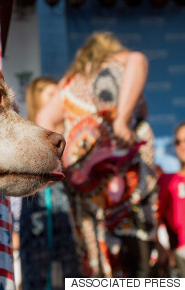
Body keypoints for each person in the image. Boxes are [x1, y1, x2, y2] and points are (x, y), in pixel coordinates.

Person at [37, 31, 158, 278]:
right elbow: (138, 60)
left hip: (84, 182)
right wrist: (123, 119)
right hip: (125, 178)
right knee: (137, 258)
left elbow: (44, 118)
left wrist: (70, 153)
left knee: (94, 254)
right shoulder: (116, 62)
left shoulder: (70, 82)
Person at [19, 77, 80, 290]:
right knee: (39, 269)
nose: (58, 100)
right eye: (51, 95)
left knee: (72, 266)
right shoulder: (27, 133)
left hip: (70, 209)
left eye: (59, 94)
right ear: (37, 99)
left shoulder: (73, 129)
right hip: (41, 208)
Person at [158, 122, 185, 277]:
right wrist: (163, 249)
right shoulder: (168, 181)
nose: (182, 146)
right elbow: (156, 219)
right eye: (178, 141)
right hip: (181, 256)